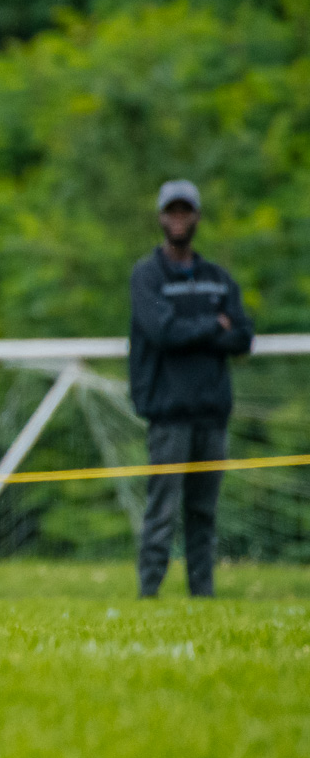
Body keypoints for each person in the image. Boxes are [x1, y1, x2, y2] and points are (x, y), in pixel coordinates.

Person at [129, 179, 253, 598]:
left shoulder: (218, 278)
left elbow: (243, 336)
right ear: (161, 217)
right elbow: (161, 332)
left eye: (186, 211)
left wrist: (192, 331)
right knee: (161, 510)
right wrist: (213, 325)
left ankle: (203, 594)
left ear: (197, 217)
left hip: (212, 414)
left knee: (204, 511)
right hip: (168, 416)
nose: (179, 218)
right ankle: (149, 595)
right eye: (172, 211)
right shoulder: (147, 276)